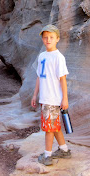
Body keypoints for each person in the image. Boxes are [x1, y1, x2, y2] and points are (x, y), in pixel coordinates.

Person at [31, 24, 71, 166]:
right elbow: (38, 77)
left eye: (51, 37)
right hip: (45, 98)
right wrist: (35, 95)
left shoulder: (58, 57)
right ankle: (64, 150)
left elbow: (63, 79)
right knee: (54, 126)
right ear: (42, 39)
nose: (48, 40)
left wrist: (65, 98)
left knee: (49, 129)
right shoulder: (42, 55)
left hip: (53, 99)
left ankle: (47, 155)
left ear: (57, 39)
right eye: (45, 37)